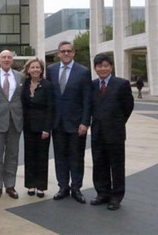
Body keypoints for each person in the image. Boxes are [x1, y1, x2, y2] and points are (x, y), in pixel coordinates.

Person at [46, 41, 92, 204]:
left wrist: (85, 122)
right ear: (58, 54)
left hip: (76, 124)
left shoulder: (83, 71)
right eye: (62, 51)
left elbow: (87, 99)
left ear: (74, 53)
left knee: (77, 157)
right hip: (57, 123)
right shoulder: (51, 70)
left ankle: (76, 188)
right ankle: (63, 187)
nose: (66, 54)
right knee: (60, 157)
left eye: (69, 51)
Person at [90, 53, 134, 210]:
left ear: (111, 67)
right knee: (99, 164)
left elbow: (128, 107)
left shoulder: (121, 84)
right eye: (99, 66)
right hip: (97, 132)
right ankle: (102, 193)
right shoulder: (93, 85)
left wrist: (117, 123)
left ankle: (116, 196)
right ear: (95, 68)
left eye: (106, 65)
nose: (103, 69)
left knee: (116, 166)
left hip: (115, 133)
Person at [0, 50, 25, 199]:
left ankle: (10, 185)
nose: (7, 59)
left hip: (15, 121)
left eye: (9, 57)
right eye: (4, 57)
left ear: (13, 60)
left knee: (12, 155)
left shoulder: (21, 77)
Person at [21, 58, 54, 198]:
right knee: (29, 156)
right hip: (28, 127)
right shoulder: (24, 85)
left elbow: (51, 108)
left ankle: (41, 186)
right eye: (32, 67)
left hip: (43, 128)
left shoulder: (47, 85)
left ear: (41, 70)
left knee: (42, 157)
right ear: (28, 70)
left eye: (37, 67)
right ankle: (30, 184)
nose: (35, 70)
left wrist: (47, 128)